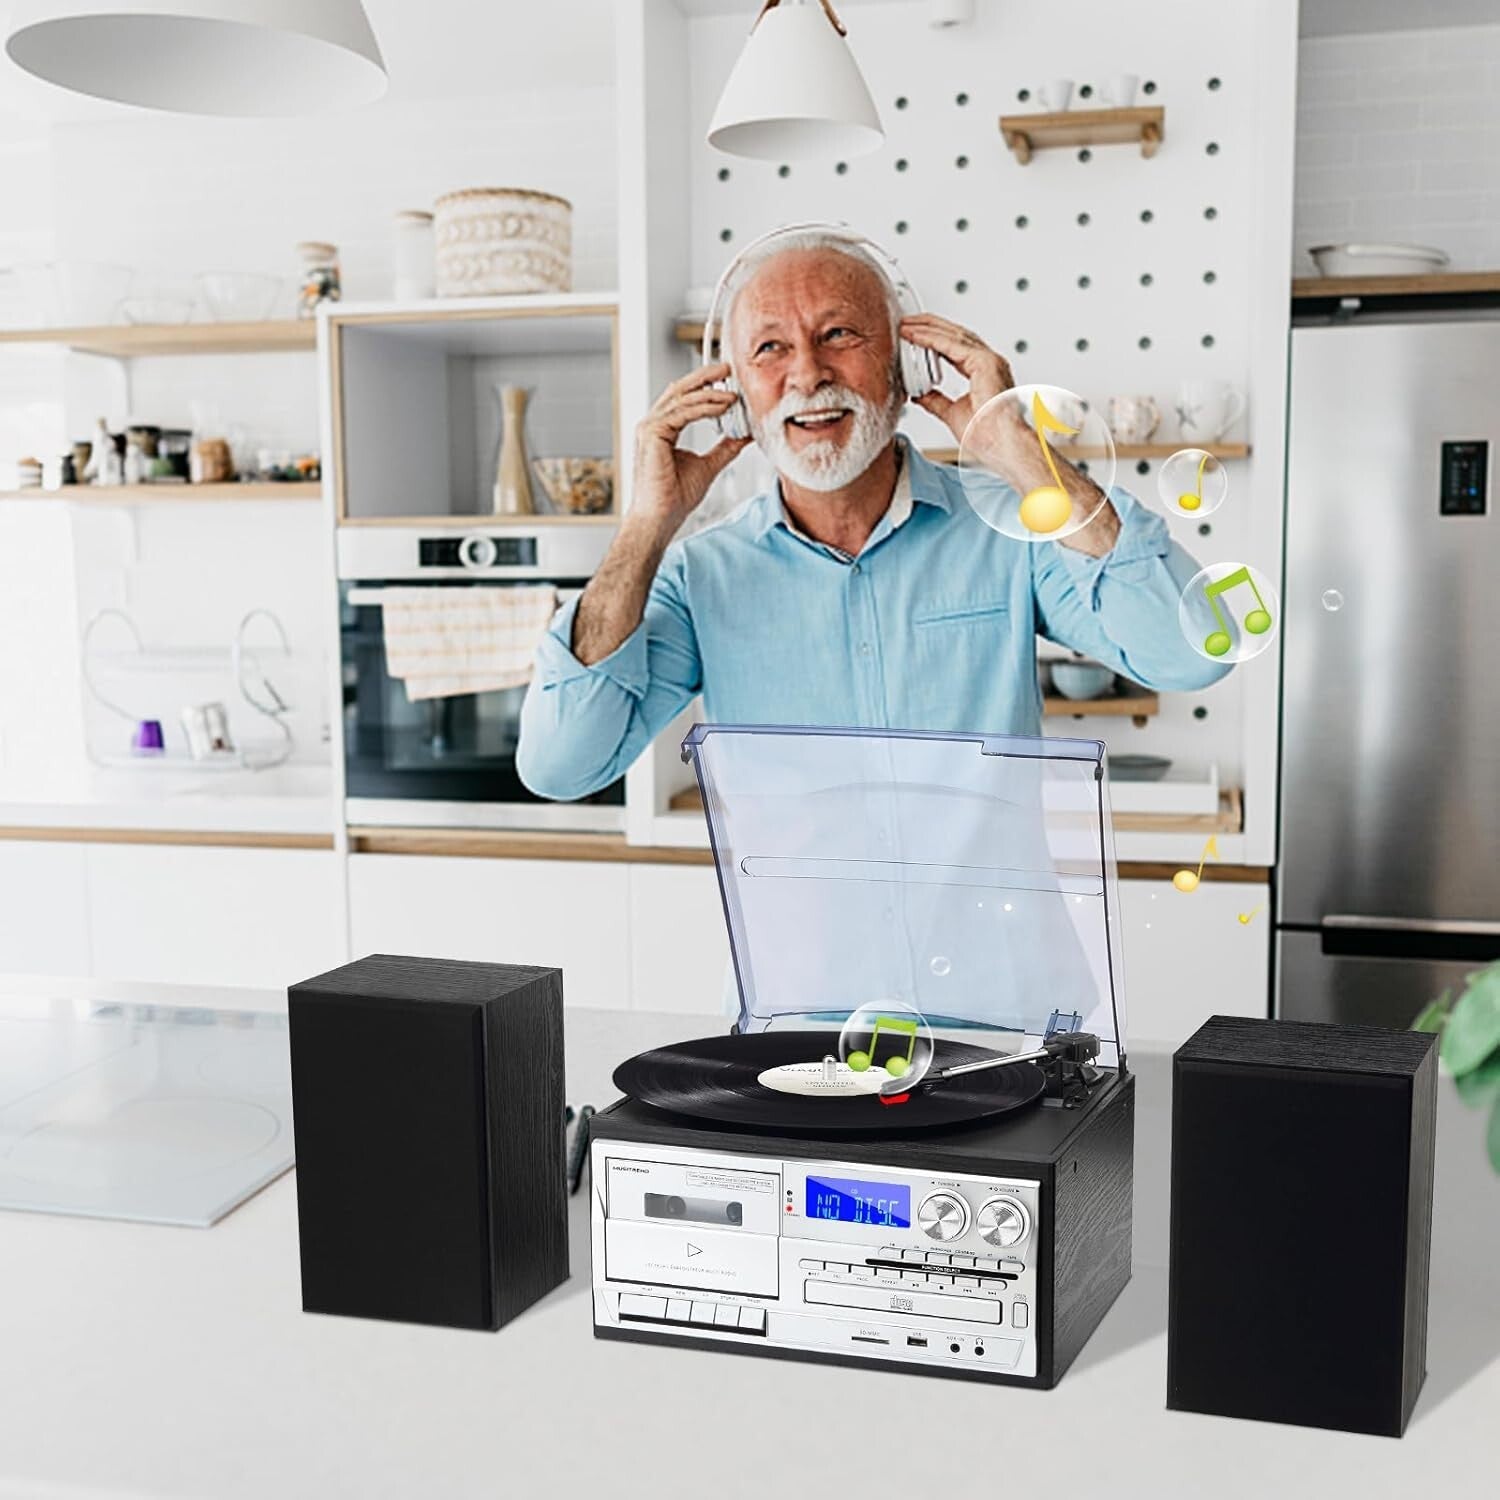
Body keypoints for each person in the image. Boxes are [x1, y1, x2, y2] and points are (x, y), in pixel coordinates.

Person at [518, 226, 1227, 801]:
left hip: (1001, 975)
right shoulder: (700, 576)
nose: (807, 373)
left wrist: (1025, 457)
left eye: (839, 335)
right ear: (734, 393)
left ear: (905, 365)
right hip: (801, 981)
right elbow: (560, 766)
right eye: (770, 348)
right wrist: (647, 525)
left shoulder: (1012, 534)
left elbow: (1193, 651)